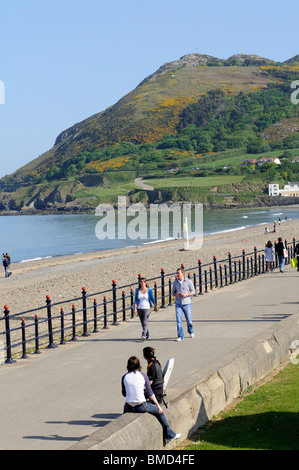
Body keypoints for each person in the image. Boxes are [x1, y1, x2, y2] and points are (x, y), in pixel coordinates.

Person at [121, 356, 181, 443]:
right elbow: (150, 393)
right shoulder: (143, 376)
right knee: (160, 413)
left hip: (129, 407)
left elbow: (124, 394)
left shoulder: (124, 377)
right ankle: (170, 435)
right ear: (139, 365)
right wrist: (158, 406)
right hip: (141, 406)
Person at [172, 267, 195, 342]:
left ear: (182, 273)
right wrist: (177, 294)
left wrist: (186, 295)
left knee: (189, 319)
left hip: (186, 303)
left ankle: (191, 331)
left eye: (178, 273)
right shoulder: (175, 283)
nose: (177, 274)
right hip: (178, 304)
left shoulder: (188, 281)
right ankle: (180, 336)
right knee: (179, 320)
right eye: (177, 273)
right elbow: (173, 293)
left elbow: (193, 292)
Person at [133, 277, 157, 341]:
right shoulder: (137, 290)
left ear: (146, 283)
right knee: (143, 323)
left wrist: (155, 306)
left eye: (144, 282)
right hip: (139, 308)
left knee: (144, 321)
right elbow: (135, 300)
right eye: (141, 282)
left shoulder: (149, 290)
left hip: (147, 308)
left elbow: (152, 298)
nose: (142, 283)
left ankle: (143, 335)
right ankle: (147, 334)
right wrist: (135, 308)